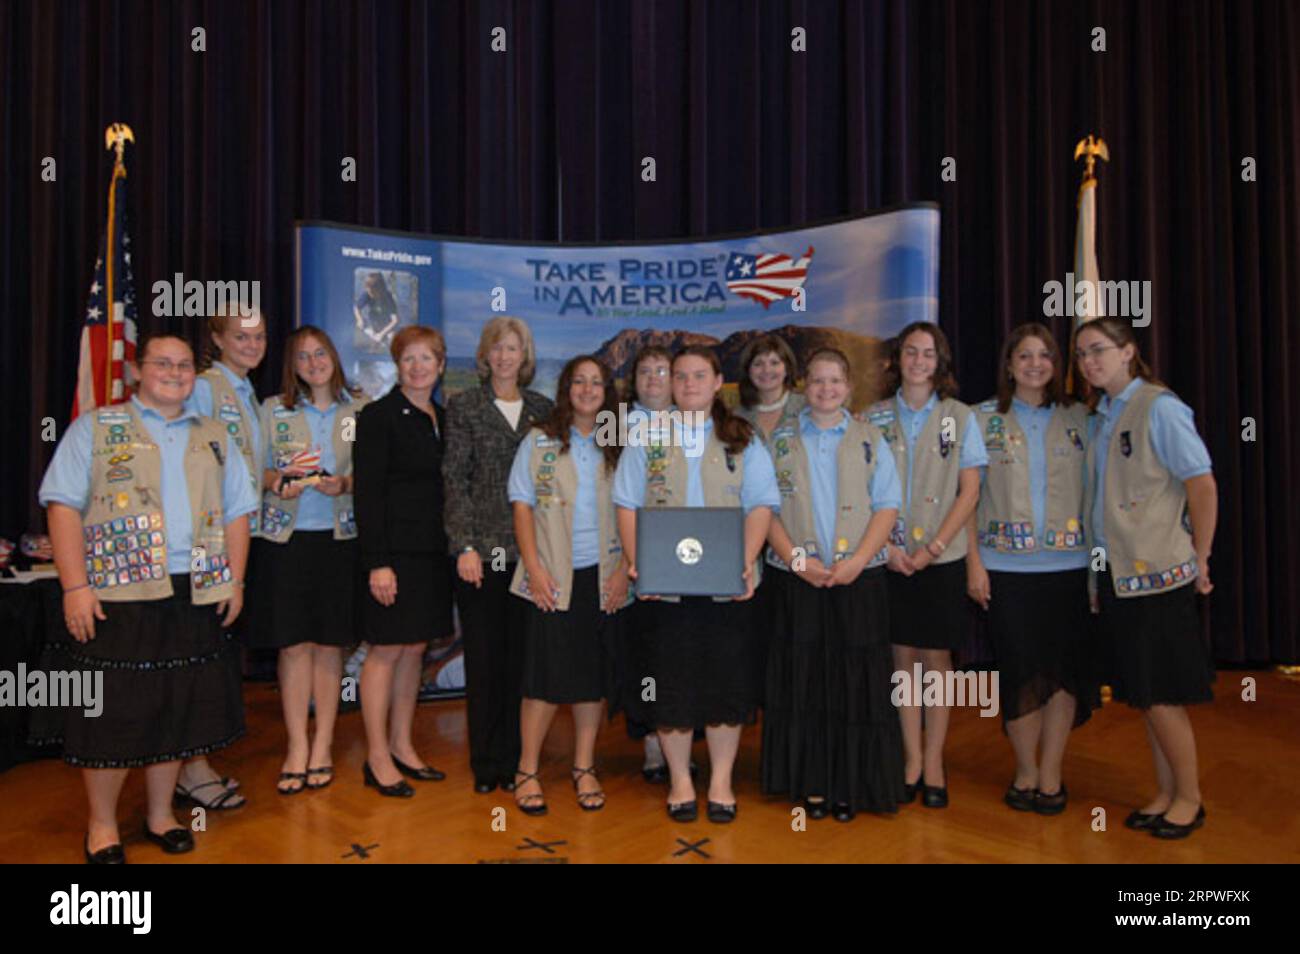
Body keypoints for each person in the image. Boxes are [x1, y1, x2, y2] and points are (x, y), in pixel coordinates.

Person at [32, 333, 256, 863]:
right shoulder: (96, 428)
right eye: (162, 363)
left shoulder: (215, 434)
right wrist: (75, 586)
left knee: (177, 710)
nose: (174, 372)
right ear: (137, 371)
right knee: (114, 717)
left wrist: (236, 581)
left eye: (183, 365)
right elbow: (62, 506)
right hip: (118, 594)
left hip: (195, 590)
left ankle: (161, 815)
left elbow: (238, 512)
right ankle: (102, 826)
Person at [614, 345, 779, 823]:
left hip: (727, 587)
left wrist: (744, 563)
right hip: (663, 588)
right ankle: (682, 780)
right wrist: (638, 561)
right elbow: (626, 503)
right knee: (671, 686)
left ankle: (722, 780)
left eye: (698, 375)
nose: (688, 384)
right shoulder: (647, 437)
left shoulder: (741, 437)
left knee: (725, 685)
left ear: (716, 382)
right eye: (679, 376)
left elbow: (762, 505)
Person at [1077, 317, 1216, 839]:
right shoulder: (1102, 415)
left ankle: (1190, 798)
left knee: (1162, 694)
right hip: (1118, 576)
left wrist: (1201, 556)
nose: (1090, 362)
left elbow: (1202, 486)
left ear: (1128, 351)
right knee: (1144, 691)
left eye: (1099, 350)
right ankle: (1164, 791)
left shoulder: (1160, 408)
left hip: (1158, 576)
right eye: (1083, 354)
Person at [761, 348, 904, 822]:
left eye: (835, 381)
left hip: (858, 580)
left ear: (848, 387)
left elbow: (886, 505)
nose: (826, 390)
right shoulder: (779, 440)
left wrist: (858, 561)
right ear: (805, 385)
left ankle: (852, 785)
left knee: (853, 685)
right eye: (817, 381)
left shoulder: (870, 437)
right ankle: (812, 784)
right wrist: (799, 561)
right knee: (806, 685)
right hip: (797, 579)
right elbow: (765, 509)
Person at [964, 323, 1097, 816]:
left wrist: (1095, 574)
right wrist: (974, 565)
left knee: (1063, 675)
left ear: (1056, 364)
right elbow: (967, 500)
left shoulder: (1082, 418)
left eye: (1045, 356)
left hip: (1069, 568)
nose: (1035, 364)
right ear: (1009, 363)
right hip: (1005, 570)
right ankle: (1024, 768)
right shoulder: (980, 420)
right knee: (1018, 672)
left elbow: (1098, 499)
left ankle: (1051, 772)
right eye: (1025, 355)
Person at [867, 321, 986, 809]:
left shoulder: (961, 416)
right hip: (890, 558)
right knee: (901, 660)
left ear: (941, 363)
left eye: (928, 353)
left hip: (942, 557)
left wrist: (933, 547)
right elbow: (863, 488)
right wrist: (890, 549)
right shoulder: (872, 418)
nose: (919, 361)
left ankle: (935, 760)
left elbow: (971, 490)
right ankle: (910, 758)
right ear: (898, 360)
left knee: (936, 661)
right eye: (911, 352)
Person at [506, 356, 630, 814]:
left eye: (596, 382)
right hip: (551, 577)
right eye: (578, 381)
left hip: (603, 577)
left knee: (591, 679)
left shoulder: (618, 442)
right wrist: (534, 569)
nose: (587, 388)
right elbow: (521, 506)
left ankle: (584, 767)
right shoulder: (539, 439)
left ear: (607, 392)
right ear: (566, 389)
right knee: (542, 679)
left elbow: (633, 509)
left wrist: (624, 571)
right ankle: (527, 769)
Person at [251, 326, 367, 795]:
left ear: (334, 358)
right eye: (303, 356)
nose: (314, 362)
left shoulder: (358, 409)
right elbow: (249, 470)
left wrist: (346, 484)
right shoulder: (272, 410)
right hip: (286, 540)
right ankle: (297, 745)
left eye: (321, 353)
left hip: (340, 540)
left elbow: (375, 471)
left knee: (328, 645)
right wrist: (278, 479)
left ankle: (323, 744)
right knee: (293, 646)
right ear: (292, 365)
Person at [443, 317, 554, 794]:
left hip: (534, 556)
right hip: (482, 556)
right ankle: (486, 763)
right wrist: (464, 546)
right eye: (497, 348)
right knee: (485, 662)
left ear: (525, 356)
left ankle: (517, 758)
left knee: (521, 662)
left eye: (514, 348)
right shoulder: (464, 406)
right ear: (485, 356)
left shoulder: (544, 410)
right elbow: (454, 481)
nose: (505, 356)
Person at [353, 326, 456, 797]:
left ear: (440, 364)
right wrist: (378, 562)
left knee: (414, 649)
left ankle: (402, 745)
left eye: (426, 359)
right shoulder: (378, 417)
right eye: (408, 359)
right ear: (398, 365)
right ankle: (376, 756)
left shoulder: (445, 417)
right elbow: (368, 495)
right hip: (392, 558)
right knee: (385, 651)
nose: (418, 367)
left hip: (433, 556)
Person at [178, 306, 268, 810]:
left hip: (239, 538)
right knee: (197, 654)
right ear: (217, 338)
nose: (252, 345)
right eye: (241, 336)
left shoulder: (248, 394)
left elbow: (246, 471)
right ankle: (191, 769)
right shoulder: (208, 386)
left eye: (258, 336)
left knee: (212, 654)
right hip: (204, 543)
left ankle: (191, 762)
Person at [734, 334, 806, 706]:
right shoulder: (734, 417)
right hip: (748, 539)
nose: (767, 370)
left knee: (798, 635)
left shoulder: (810, 408)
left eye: (775, 362)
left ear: (788, 367)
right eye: (758, 362)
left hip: (798, 535)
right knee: (761, 635)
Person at [622, 345, 674, 783]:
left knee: (679, 656)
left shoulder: (693, 423)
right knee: (646, 656)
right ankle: (654, 746)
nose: (654, 378)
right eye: (645, 371)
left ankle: (680, 742)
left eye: (662, 370)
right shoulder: (616, 426)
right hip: (633, 557)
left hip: (685, 559)